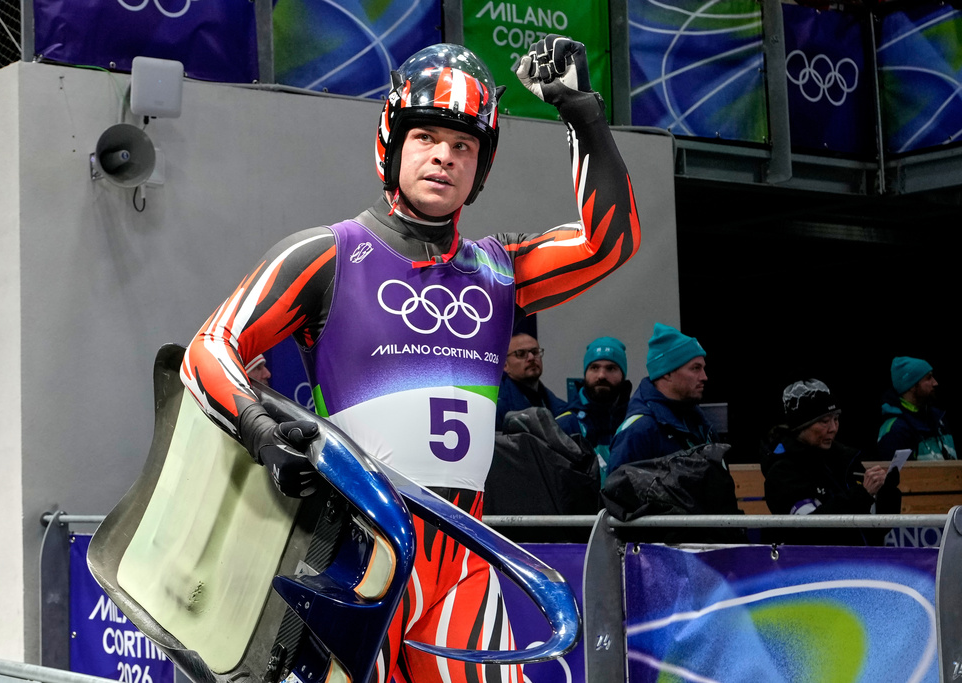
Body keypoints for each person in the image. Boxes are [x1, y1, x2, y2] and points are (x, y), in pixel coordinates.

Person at [180, 36, 641, 683]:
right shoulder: (325, 254)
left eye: (464, 145)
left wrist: (582, 113)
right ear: (392, 144)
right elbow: (208, 347)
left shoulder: (498, 269)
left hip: (464, 559)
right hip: (351, 552)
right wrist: (259, 432)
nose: (444, 156)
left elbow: (608, 240)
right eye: (427, 137)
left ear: (481, 167)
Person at [761, 379, 900, 545]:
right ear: (801, 426)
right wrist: (861, 495)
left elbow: (878, 526)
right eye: (824, 421)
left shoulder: (846, 459)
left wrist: (886, 493)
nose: (833, 428)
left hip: (864, 562)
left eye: (836, 419)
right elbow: (810, 530)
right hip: (814, 566)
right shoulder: (783, 471)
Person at [607, 323, 713, 472]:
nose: (704, 377)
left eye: (703, 368)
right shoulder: (638, 432)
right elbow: (619, 493)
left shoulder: (698, 422)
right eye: (695, 368)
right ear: (666, 373)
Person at [556, 336, 632, 481]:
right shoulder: (566, 424)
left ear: (623, 374)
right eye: (594, 368)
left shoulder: (633, 422)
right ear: (585, 373)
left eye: (611, 368)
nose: (602, 375)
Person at [877, 356, 956, 461]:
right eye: (928, 378)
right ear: (912, 385)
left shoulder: (939, 419)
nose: (935, 383)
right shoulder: (895, 429)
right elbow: (897, 475)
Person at [495, 332, 566, 429]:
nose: (531, 358)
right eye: (521, 354)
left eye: (535, 352)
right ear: (505, 365)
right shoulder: (496, 406)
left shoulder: (560, 408)